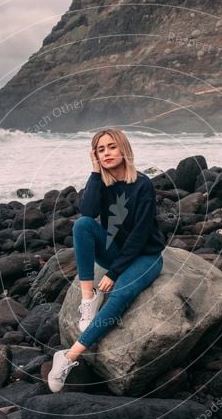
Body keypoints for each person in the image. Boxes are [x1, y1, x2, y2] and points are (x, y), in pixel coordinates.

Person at [47, 128, 166, 392]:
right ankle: (88, 299)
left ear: (123, 149)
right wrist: (94, 172)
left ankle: (68, 357)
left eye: (111, 147)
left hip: (146, 256)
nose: (107, 153)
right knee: (82, 226)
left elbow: (140, 235)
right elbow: (87, 212)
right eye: (100, 150)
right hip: (115, 249)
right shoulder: (102, 181)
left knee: (120, 294)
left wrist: (113, 273)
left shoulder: (143, 185)